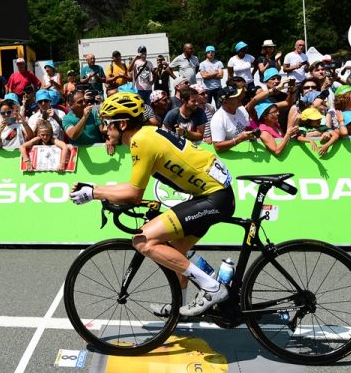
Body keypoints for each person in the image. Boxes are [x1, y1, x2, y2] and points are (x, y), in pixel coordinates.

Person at [70, 92, 235, 317]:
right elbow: (132, 186)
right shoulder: (148, 134)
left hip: (213, 197)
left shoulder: (141, 141)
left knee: (142, 241)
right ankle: (179, 310)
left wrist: (94, 193)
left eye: (108, 124)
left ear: (123, 123)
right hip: (212, 194)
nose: (105, 130)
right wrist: (95, 188)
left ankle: (212, 288)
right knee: (175, 253)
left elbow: (133, 194)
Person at [209, 86, 257, 153]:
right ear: (225, 102)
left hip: (245, 152)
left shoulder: (242, 109)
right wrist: (239, 139)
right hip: (230, 158)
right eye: (235, 97)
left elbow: (247, 128)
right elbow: (217, 147)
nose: (239, 98)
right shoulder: (217, 119)